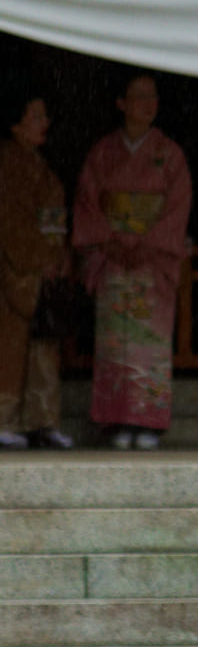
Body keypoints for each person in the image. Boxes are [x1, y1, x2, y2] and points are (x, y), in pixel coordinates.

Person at [72, 74, 189, 450]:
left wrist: (146, 243)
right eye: (138, 97)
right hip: (113, 259)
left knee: (149, 341)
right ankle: (117, 421)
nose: (147, 104)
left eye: (152, 97)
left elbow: (177, 206)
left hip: (151, 261)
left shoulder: (169, 153)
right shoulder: (102, 152)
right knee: (115, 342)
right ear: (120, 103)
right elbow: (89, 201)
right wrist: (112, 241)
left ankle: (148, 421)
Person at [0, 91, 71, 449]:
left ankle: (41, 420)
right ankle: (5, 418)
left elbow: (52, 220)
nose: (45, 123)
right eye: (36, 116)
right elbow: (10, 222)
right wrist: (40, 255)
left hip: (40, 271)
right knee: (8, 347)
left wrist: (58, 255)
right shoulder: (5, 163)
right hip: (12, 271)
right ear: (15, 122)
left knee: (43, 346)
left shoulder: (40, 166)